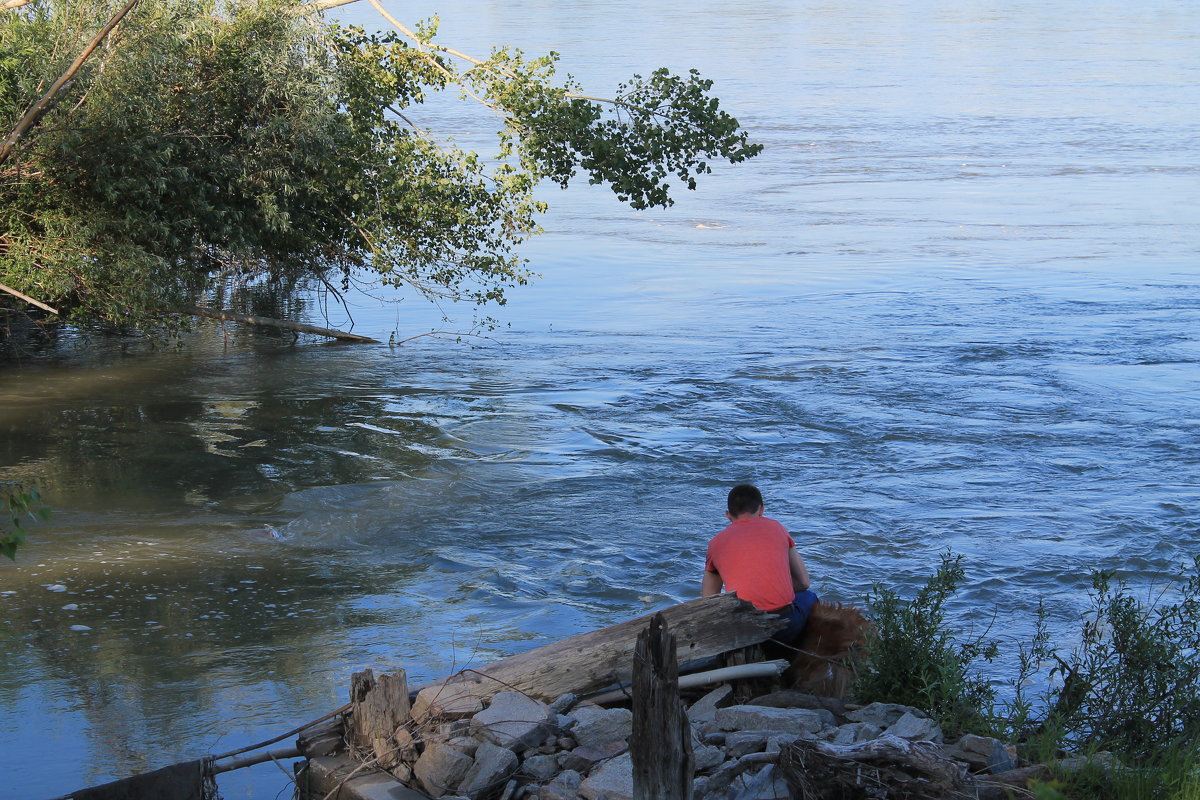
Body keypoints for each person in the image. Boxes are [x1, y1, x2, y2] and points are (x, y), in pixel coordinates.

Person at [701, 484, 819, 645]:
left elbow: (709, 599)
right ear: (761, 509)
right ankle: (806, 654)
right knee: (809, 597)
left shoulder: (715, 543)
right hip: (784, 628)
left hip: (743, 631)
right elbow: (804, 582)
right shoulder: (777, 527)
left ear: (728, 515)